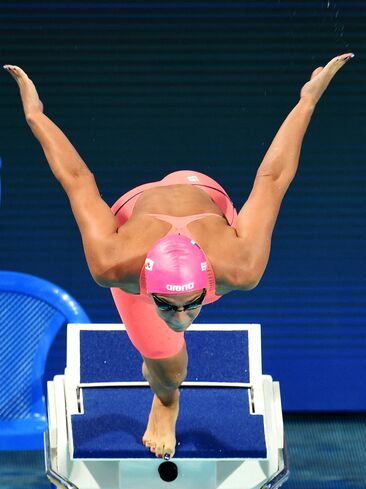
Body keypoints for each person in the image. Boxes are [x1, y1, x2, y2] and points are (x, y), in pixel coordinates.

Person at [4, 53, 353, 460]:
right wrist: (35, 115)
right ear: (145, 285)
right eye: (167, 305)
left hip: (203, 193)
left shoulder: (239, 265)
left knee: (167, 347)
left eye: (191, 304)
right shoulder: (114, 262)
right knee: (172, 370)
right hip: (137, 210)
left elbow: (273, 178)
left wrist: (307, 99)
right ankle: (168, 399)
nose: (182, 318)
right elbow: (77, 179)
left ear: (209, 282)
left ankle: (163, 387)